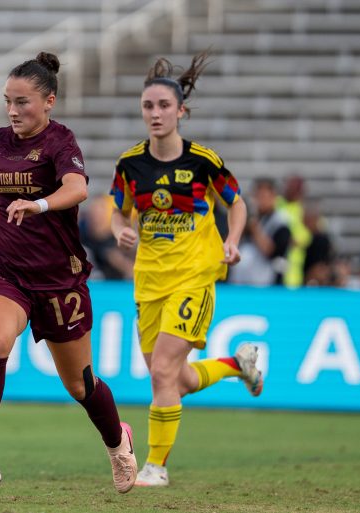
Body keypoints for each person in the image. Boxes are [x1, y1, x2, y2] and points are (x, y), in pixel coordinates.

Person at [0, 52, 138, 493]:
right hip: (5, 271)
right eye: (7, 101)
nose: (13, 111)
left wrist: (38, 204)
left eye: (23, 102)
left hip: (58, 278)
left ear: (49, 101)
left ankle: (117, 443)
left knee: (80, 384)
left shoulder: (60, 143)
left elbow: (78, 188)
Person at [109, 51, 264, 487]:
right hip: (149, 281)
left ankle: (156, 467)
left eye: (163, 106)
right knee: (175, 380)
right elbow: (118, 212)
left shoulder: (203, 162)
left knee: (161, 374)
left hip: (195, 275)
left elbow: (237, 204)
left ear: (181, 111)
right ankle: (238, 364)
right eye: (148, 106)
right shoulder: (129, 165)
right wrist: (121, 229)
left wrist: (232, 241)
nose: (155, 114)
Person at [228, 178, 292, 286]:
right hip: (241, 281)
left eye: (264, 197)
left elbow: (271, 251)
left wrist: (254, 228)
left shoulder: (281, 222)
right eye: (258, 196)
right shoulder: (253, 217)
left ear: (274, 197)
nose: (260, 201)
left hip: (267, 283)